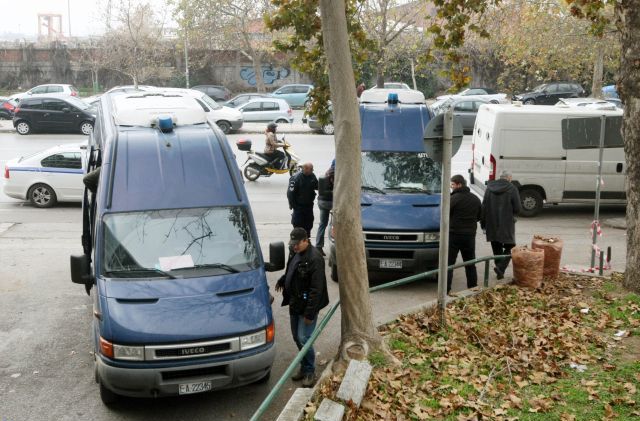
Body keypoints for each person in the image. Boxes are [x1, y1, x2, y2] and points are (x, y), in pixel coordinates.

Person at [275, 227, 329, 387]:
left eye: (297, 244)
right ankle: (304, 367)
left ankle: (310, 370)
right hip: (295, 303)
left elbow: (316, 289)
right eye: (293, 244)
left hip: (307, 306)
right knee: (296, 337)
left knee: (304, 338)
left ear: (306, 240)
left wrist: (310, 313)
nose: (294, 247)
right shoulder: (295, 252)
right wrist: (283, 279)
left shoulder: (315, 258)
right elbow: (291, 270)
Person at [481, 170, 522, 279]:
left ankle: (500, 270)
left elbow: (484, 206)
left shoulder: (489, 188)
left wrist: (483, 224)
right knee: (510, 246)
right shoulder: (512, 188)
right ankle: (501, 268)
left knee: (496, 247)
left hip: (491, 223)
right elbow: (518, 208)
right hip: (507, 223)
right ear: (509, 178)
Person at [447, 174, 482, 294]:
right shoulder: (475, 198)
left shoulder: (453, 199)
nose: (451, 187)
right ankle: (473, 288)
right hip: (469, 236)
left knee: (449, 263)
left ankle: (446, 289)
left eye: (452, 185)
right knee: (470, 262)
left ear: (459, 184)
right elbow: (480, 216)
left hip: (454, 235)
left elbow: (445, 215)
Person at [287, 163, 318, 238]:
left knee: (309, 224)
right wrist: (293, 206)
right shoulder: (296, 178)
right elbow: (290, 194)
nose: (312, 171)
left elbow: (317, 186)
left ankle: (307, 240)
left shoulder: (312, 176)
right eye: (311, 169)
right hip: (299, 207)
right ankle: (297, 241)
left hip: (309, 206)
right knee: (298, 225)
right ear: (306, 169)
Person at [315, 159, 335, 256]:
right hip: (332, 202)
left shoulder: (327, 172)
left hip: (322, 201)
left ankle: (318, 246)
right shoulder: (337, 174)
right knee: (337, 224)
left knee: (322, 224)